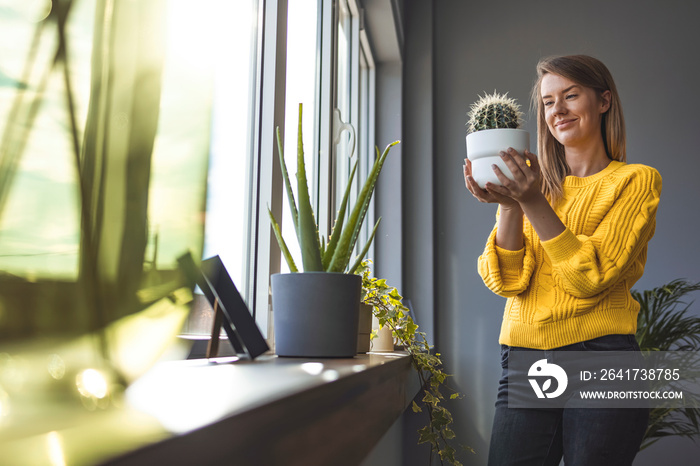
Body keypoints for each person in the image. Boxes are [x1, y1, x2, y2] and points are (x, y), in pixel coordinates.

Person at [463, 55, 662, 465]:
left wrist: (531, 200)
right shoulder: (534, 187)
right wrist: (511, 205)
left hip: (602, 357)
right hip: (526, 356)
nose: (559, 110)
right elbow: (507, 280)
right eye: (549, 102)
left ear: (603, 101)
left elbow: (591, 276)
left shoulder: (635, 181)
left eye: (571, 96)